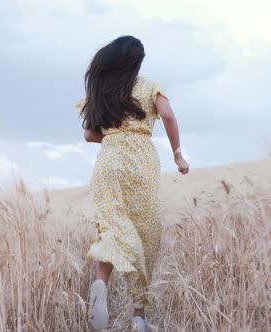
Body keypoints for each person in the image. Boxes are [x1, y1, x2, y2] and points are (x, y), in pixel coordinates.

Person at [76, 35, 189, 332]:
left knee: (112, 228)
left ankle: (101, 282)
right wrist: (178, 154)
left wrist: (115, 135)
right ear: (135, 62)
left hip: (108, 163)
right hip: (140, 164)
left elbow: (89, 135)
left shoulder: (101, 91)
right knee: (143, 234)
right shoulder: (149, 86)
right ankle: (139, 317)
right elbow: (167, 115)